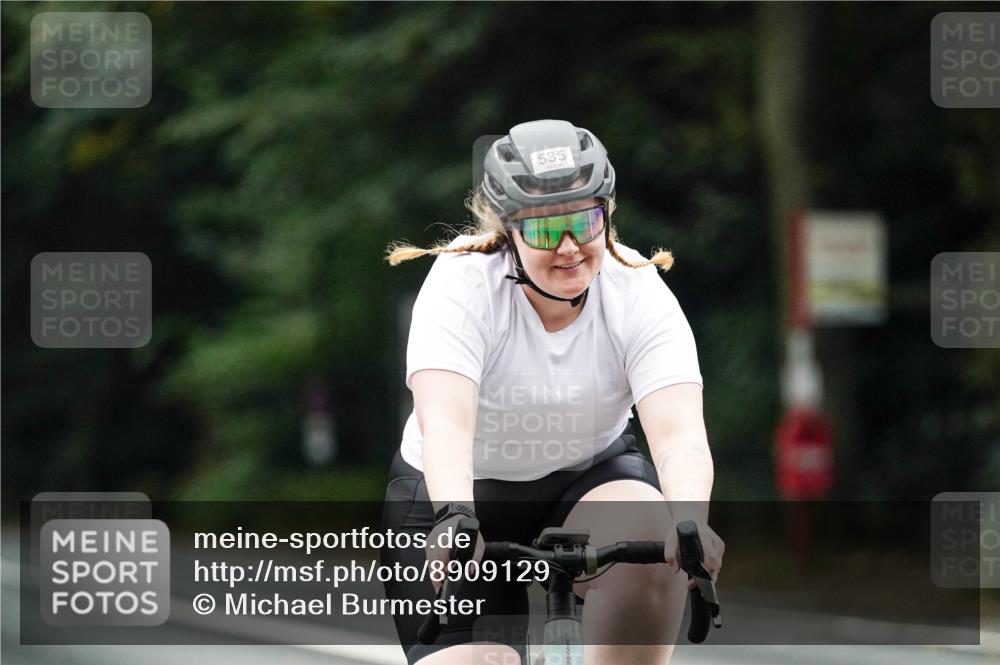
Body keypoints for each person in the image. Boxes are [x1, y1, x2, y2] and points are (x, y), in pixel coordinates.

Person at [380, 119, 724, 665]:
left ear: (606, 215)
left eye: (585, 223)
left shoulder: (635, 288)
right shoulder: (462, 284)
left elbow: (678, 429)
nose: (569, 248)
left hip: (587, 480)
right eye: (543, 230)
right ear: (509, 231)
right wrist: (452, 512)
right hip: (459, 495)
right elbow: (445, 421)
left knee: (656, 533)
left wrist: (691, 520)